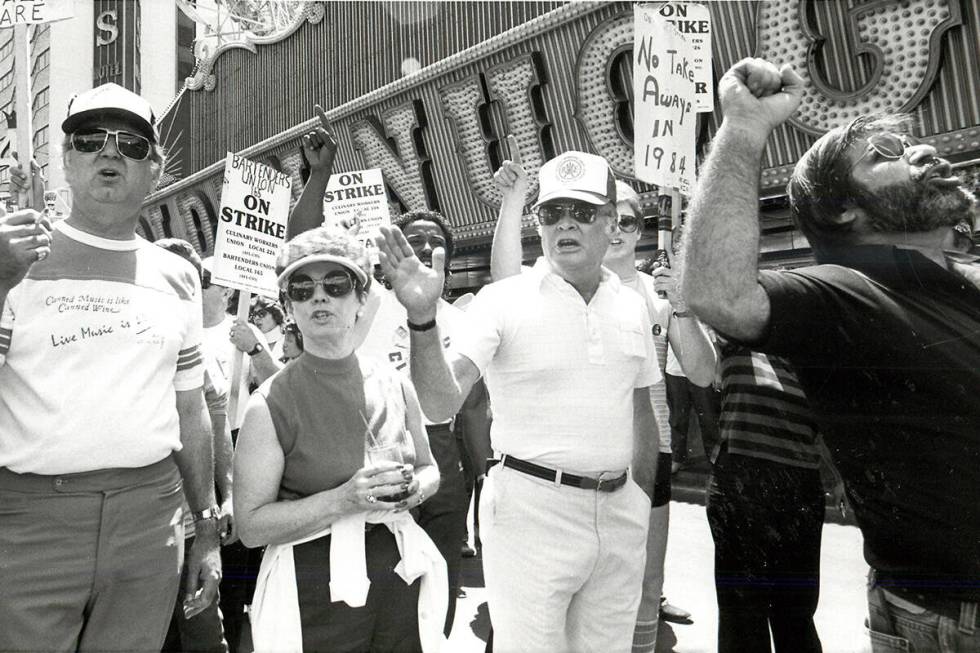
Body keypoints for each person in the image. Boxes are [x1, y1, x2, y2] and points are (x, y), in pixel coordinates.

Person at [681, 57, 980, 650]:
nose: (920, 152)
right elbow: (716, 293)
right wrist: (743, 128)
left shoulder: (958, 283)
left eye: (912, 141)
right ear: (844, 209)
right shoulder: (845, 292)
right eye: (887, 151)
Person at [377, 150, 661, 652]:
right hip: (530, 516)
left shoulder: (632, 304)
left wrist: (637, 500)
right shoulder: (503, 300)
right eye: (552, 213)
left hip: (619, 515)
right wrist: (422, 320)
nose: (565, 224)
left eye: (582, 211)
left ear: (612, 222)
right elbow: (441, 403)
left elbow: (641, 412)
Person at [0, 82, 221, 651]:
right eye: (91, 139)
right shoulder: (13, 257)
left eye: (131, 143)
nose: (110, 153)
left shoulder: (177, 277)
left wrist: (208, 531)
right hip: (29, 520)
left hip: (151, 517)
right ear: (67, 160)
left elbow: (190, 407)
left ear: (156, 169)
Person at [491, 159, 712, 651]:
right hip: (562, 478)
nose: (615, 233)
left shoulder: (654, 296)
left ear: (624, 227)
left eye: (628, 222)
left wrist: (680, 303)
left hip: (642, 463)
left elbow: (702, 372)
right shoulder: (551, 284)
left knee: (644, 588)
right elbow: (505, 283)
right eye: (562, 212)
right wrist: (511, 206)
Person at [288, 113, 493, 637]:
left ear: (447, 259)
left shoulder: (465, 322)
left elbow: (468, 408)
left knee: (436, 588)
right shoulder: (367, 303)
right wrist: (319, 175)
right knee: (377, 597)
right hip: (372, 456)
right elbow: (308, 245)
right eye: (411, 241)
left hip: (441, 463)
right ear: (388, 254)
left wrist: (481, 468)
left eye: (432, 244)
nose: (421, 250)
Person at [234, 227, 446, 652]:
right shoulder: (269, 405)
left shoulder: (394, 383)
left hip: (399, 583)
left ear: (361, 299)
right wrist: (343, 500)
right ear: (288, 307)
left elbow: (429, 468)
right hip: (315, 595)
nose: (319, 297)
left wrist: (411, 491)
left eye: (336, 284)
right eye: (301, 288)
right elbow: (251, 527)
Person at [707, 343, 825, 652]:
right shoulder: (735, 322)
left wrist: (836, 471)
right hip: (741, 477)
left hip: (800, 481)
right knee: (742, 622)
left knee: (796, 618)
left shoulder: (813, 327)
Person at [156, 239, 235, 653]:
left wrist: (229, 495)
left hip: (193, 528)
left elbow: (216, 425)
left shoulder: (199, 353)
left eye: (188, 278)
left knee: (202, 631)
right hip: (141, 527)